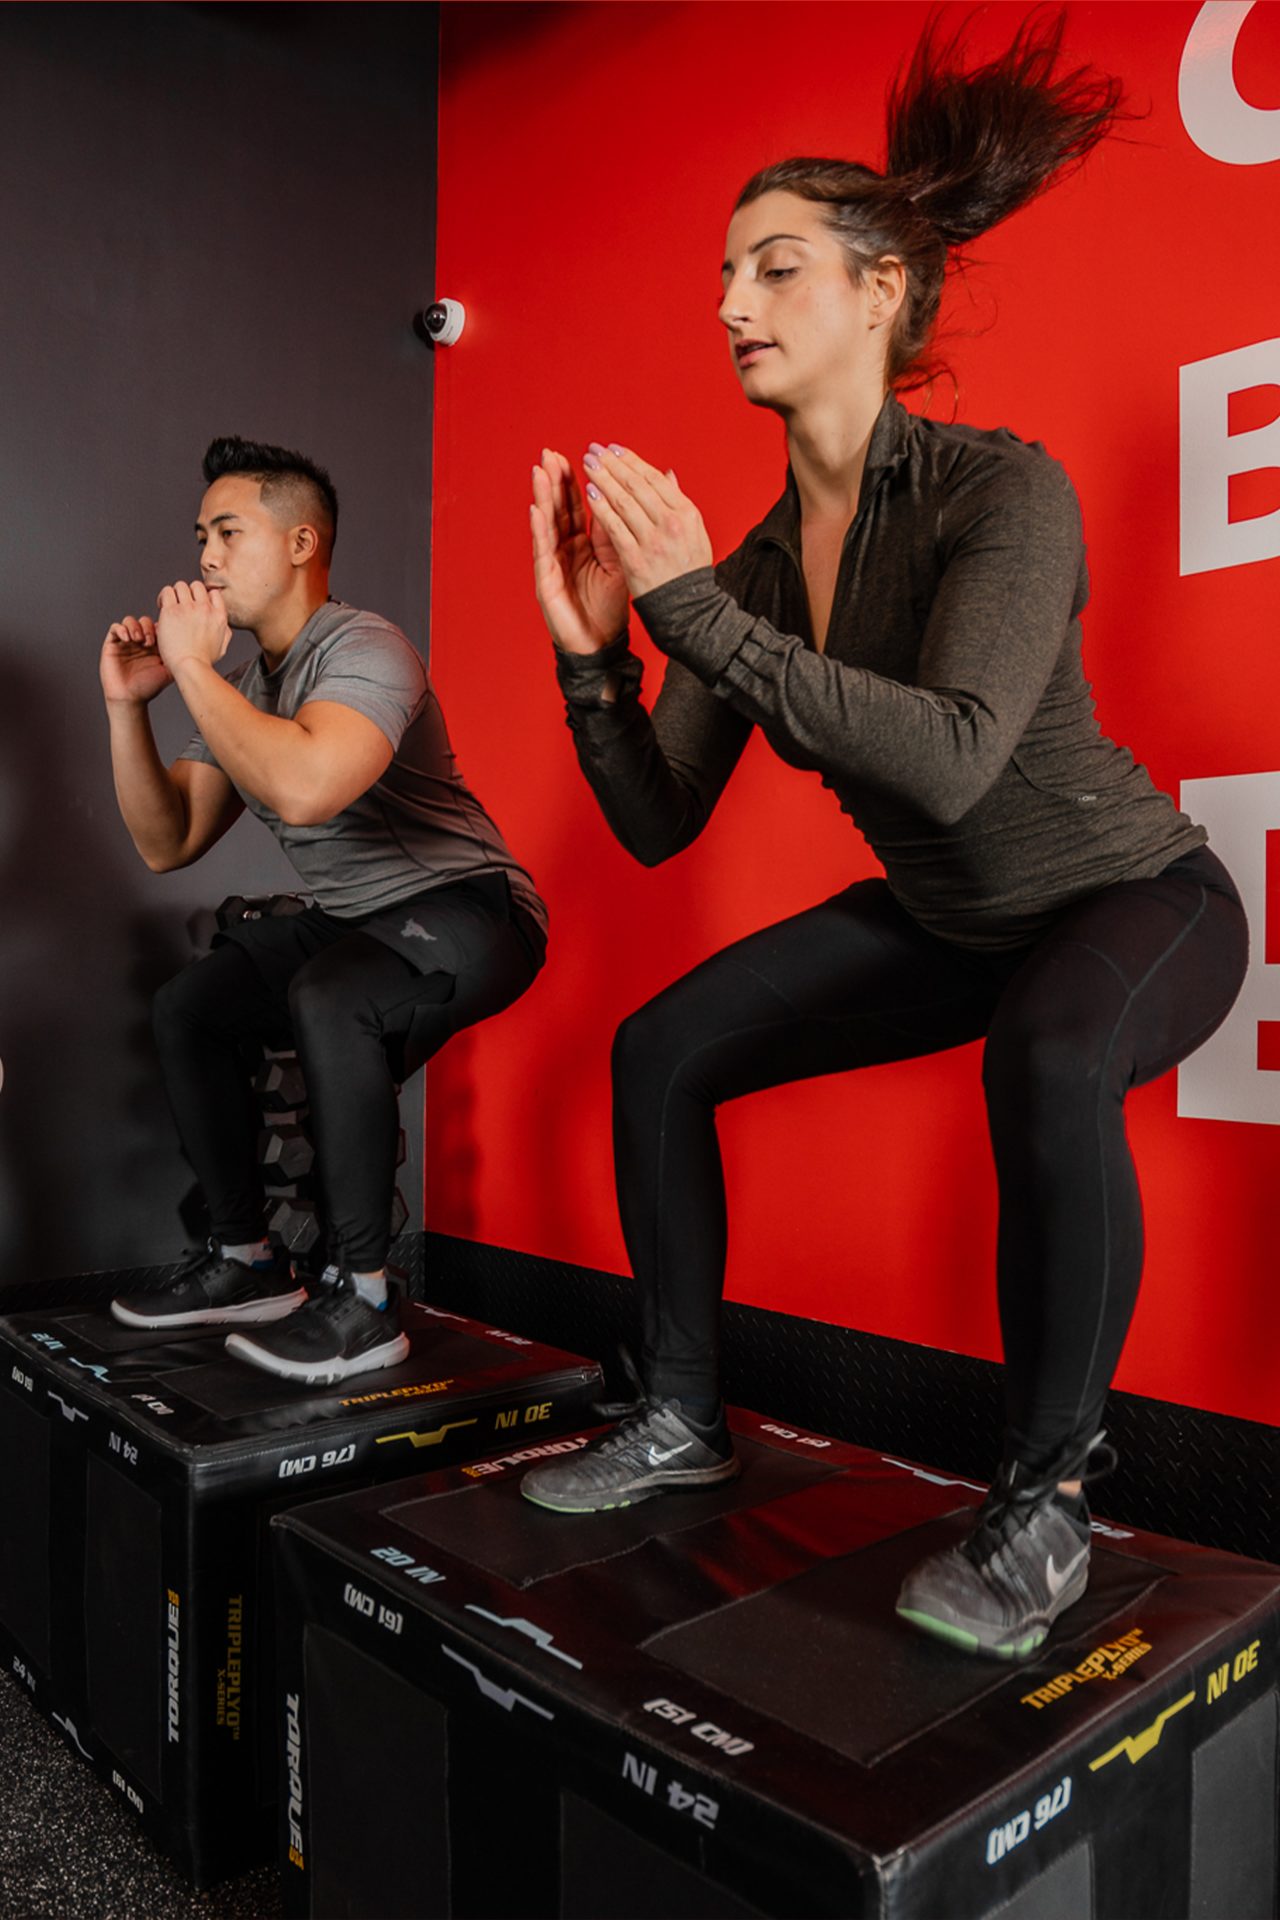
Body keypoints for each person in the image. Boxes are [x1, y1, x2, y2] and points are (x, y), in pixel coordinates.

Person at [521, 17, 1248, 1658]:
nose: (729, 303)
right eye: (724, 273)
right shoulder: (766, 563)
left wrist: (696, 611)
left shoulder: (1006, 495)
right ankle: (680, 1413)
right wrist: (593, 652)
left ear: (880, 294)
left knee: (1051, 1058)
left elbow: (958, 765)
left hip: (1135, 899)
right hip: (949, 918)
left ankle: (1048, 1508)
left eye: (775, 269)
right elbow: (654, 822)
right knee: (663, 1049)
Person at [101, 437, 546, 1386]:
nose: (205, 557)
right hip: (358, 923)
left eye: (228, 531)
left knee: (330, 993)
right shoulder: (247, 685)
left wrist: (195, 673)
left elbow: (306, 788)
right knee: (193, 1004)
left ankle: (366, 1299)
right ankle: (246, 1262)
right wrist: (125, 707)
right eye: (199, 536)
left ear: (302, 542)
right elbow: (166, 839)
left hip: (475, 907)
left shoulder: (366, 645)